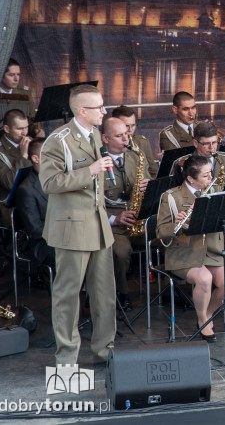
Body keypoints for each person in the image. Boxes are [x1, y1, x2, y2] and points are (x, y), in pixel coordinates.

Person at [40, 83, 116, 365]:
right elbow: (50, 183)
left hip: (98, 226)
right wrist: (90, 170)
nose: (104, 111)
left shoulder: (94, 134)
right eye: (99, 107)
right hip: (72, 227)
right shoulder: (57, 140)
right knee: (68, 296)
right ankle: (66, 358)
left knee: (104, 295)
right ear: (82, 111)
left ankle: (105, 351)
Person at [156, 155, 225, 342]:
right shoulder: (171, 196)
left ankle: (208, 313)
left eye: (211, 174)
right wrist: (180, 224)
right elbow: (161, 232)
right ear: (191, 179)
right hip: (185, 251)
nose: (211, 179)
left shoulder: (216, 191)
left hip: (212, 248)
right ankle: (202, 320)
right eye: (205, 176)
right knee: (204, 279)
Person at [100, 117, 147, 311]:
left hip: (138, 218)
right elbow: (91, 203)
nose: (126, 139)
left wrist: (147, 187)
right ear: (105, 139)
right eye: (119, 136)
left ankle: (176, 289)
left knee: (171, 235)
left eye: (126, 134)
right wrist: (114, 219)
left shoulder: (135, 157)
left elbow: (146, 182)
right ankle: (122, 293)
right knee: (120, 253)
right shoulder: (97, 163)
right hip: (113, 224)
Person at [0, 108, 32, 226]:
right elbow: (10, 183)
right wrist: (24, 156)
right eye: (20, 129)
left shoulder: (31, 143)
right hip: (13, 205)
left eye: (26, 127)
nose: (25, 133)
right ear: (6, 129)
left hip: (34, 198)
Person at [14, 138, 55, 272]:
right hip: (43, 243)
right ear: (36, 159)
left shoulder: (59, 178)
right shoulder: (26, 189)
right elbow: (36, 230)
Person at [170, 121, 225, 185]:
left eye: (214, 142)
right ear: (195, 143)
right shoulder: (181, 163)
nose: (211, 147)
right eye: (206, 143)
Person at [111, 105, 159, 177]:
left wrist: (149, 181)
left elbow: (154, 172)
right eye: (126, 126)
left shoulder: (142, 143)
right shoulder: (104, 146)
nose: (130, 130)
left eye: (133, 125)